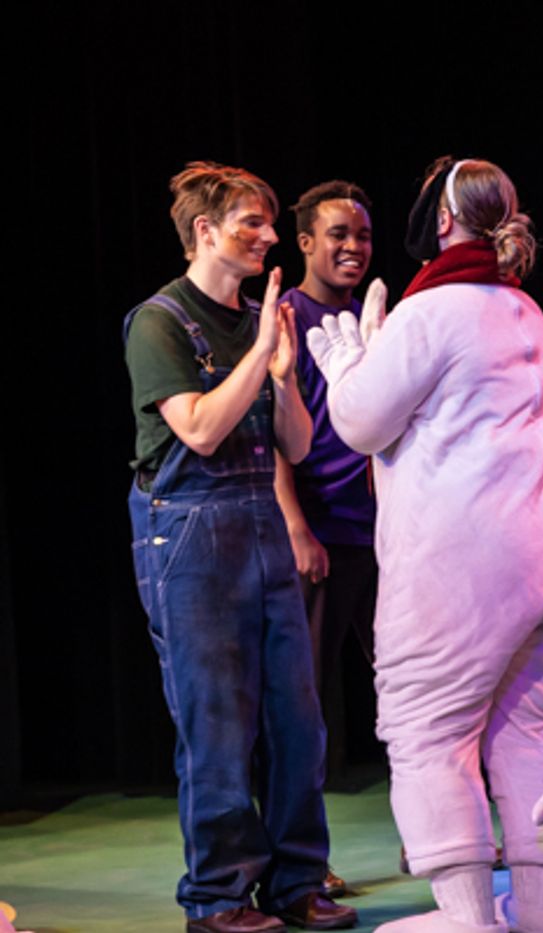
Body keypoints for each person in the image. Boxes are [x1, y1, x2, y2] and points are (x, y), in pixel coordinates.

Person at [307, 157, 543, 933]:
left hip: (462, 563)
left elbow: (362, 421)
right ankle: (540, 905)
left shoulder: (431, 313)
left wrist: (344, 366)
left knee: (428, 726)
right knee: (524, 726)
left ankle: (466, 916)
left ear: (441, 222)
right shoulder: (523, 309)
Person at [124, 162, 356, 932]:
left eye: (266, 222)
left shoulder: (264, 320)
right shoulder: (159, 321)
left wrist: (284, 376)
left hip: (258, 518)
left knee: (298, 716)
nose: (264, 236)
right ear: (204, 232)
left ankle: (295, 880)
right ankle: (219, 895)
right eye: (249, 222)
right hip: (190, 530)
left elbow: (295, 441)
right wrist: (260, 350)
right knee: (217, 720)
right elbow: (196, 427)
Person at [273, 180, 379, 780]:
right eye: (338, 234)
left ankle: (429, 834)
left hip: (382, 535)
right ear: (307, 241)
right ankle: (303, 856)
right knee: (305, 693)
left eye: (363, 235)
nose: (353, 246)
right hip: (324, 533)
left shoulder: (372, 317)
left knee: (406, 687)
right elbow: (277, 435)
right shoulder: (289, 317)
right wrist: (296, 528)